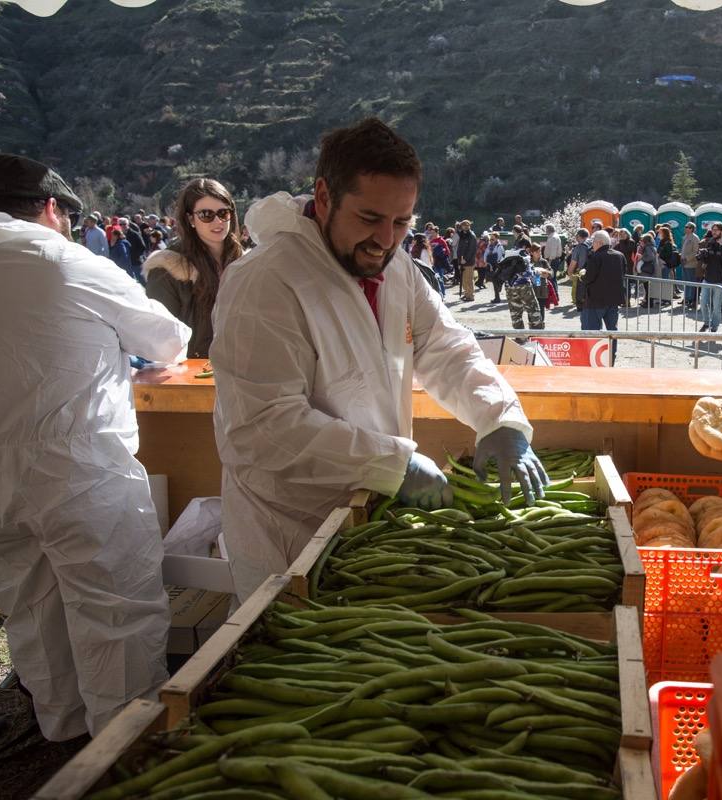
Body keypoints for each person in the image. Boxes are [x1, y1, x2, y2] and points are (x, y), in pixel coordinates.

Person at [210, 118, 548, 602]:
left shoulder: (398, 268)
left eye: (402, 222)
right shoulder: (265, 281)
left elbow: (444, 345)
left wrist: (498, 417)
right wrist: (393, 464)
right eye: (369, 219)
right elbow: (264, 426)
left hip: (368, 521)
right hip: (290, 530)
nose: (386, 240)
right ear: (324, 197)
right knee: (304, 663)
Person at [0, 153, 191, 741]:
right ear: (52, 209)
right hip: (73, 466)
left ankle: (64, 735)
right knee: (115, 610)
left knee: (31, 609)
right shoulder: (59, 258)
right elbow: (168, 340)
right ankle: (124, 746)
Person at [145, 178, 244, 360]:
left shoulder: (246, 262)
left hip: (245, 368)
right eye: (206, 215)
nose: (218, 221)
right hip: (194, 372)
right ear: (190, 219)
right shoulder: (167, 268)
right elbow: (159, 336)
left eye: (224, 213)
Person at [579, 229, 625, 365]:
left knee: (591, 332)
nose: (592, 244)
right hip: (613, 301)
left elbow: (588, 278)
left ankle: (592, 359)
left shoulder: (595, 256)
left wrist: (582, 275)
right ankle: (611, 359)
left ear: (599, 242)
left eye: (593, 242)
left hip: (595, 301)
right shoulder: (620, 256)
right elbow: (624, 273)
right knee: (612, 332)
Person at [696, 222, 722, 333]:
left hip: (721, 280)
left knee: (716, 306)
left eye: (716, 230)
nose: (714, 232)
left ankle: (714, 327)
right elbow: (708, 260)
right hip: (708, 277)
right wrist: (703, 255)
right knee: (703, 302)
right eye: (713, 230)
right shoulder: (711, 242)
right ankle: (706, 322)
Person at [566, 228, 590, 309]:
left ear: (579, 236)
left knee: (579, 292)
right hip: (593, 271)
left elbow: (573, 262)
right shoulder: (592, 244)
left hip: (581, 272)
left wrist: (569, 273)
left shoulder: (579, 247)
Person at [456, 219, 478, 301]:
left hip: (468, 261)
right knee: (464, 279)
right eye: (463, 225)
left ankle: (471, 296)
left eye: (467, 225)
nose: (465, 226)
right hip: (461, 260)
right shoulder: (463, 234)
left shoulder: (471, 235)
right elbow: (457, 230)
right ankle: (466, 294)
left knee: (468, 279)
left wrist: (465, 259)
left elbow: (472, 249)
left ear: (469, 226)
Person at [680, 221, 701, 310]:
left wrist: (687, 258)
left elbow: (696, 251)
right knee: (686, 282)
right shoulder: (685, 237)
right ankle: (686, 298)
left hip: (691, 264)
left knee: (691, 282)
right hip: (684, 264)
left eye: (687, 227)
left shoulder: (695, 238)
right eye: (685, 226)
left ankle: (691, 299)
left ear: (691, 229)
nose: (685, 228)